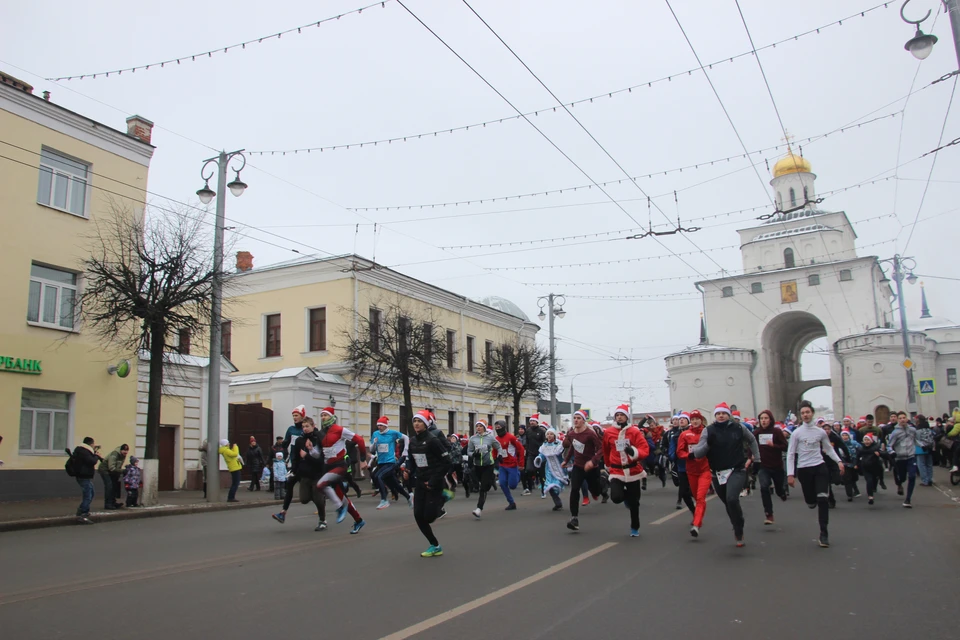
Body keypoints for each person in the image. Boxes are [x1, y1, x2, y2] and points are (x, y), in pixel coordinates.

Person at [690, 402, 760, 547]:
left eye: (724, 413)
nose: (721, 416)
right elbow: (697, 453)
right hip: (718, 473)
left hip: (737, 469)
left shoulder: (738, 427)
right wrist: (708, 444)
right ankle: (737, 523)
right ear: (715, 416)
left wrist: (757, 459)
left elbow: (752, 440)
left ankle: (738, 527)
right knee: (728, 503)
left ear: (728, 415)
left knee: (732, 498)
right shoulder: (708, 430)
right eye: (718, 413)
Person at [786, 400, 844, 548]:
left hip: (819, 467)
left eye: (808, 412)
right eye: (803, 413)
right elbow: (791, 454)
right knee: (812, 502)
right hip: (804, 470)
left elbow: (829, 449)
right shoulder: (797, 433)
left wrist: (839, 461)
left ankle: (824, 533)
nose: (805, 415)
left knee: (823, 499)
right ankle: (811, 501)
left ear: (812, 413)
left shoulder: (820, 432)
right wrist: (790, 474)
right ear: (800, 415)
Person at [403, 411, 453, 557]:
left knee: (429, 517)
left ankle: (443, 497)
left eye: (420, 421)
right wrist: (408, 471)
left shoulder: (433, 440)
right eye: (415, 421)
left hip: (434, 482)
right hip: (420, 481)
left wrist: (433, 480)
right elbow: (412, 460)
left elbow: (446, 462)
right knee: (418, 515)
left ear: (426, 424)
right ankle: (435, 545)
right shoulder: (412, 441)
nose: (417, 424)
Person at [314, 407, 368, 534]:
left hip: (340, 466)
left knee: (321, 484)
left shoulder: (340, 430)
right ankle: (359, 520)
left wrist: (363, 459)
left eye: (325, 415)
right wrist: (310, 450)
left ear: (332, 417)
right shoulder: (320, 434)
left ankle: (339, 508)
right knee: (342, 498)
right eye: (321, 416)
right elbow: (317, 454)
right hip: (328, 467)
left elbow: (359, 440)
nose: (323, 418)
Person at [602, 406, 651, 537]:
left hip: (633, 471)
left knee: (635, 503)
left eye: (622, 415)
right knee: (616, 497)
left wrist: (633, 452)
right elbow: (606, 450)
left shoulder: (634, 431)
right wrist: (607, 464)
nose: (619, 417)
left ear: (626, 417)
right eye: (617, 415)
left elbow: (644, 449)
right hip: (616, 471)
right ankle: (626, 499)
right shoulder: (609, 432)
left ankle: (635, 527)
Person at [272, 417, 328, 530]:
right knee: (304, 499)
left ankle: (322, 520)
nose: (305, 429)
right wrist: (293, 470)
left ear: (313, 426)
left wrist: (307, 455)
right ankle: (320, 496)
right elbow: (296, 458)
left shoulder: (318, 439)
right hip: (304, 474)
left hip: (317, 474)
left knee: (317, 499)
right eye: (303, 427)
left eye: (307, 426)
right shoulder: (299, 440)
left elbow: (321, 460)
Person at [562, 409, 604, 532]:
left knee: (596, 491)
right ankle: (574, 518)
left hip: (591, 467)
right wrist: (566, 460)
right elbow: (572, 448)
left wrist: (593, 461)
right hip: (578, 466)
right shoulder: (571, 434)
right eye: (574, 418)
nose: (576, 420)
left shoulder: (590, 433)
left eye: (579, 418)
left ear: (583, 420)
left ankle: (603, 481)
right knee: (574, 489)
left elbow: (601, 449)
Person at [677, 410, 711, 537]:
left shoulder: (707, 432)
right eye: (693, 419)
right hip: (691, 471)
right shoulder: (685, 434)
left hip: (705, 470)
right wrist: (689, 456)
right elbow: (679, 452)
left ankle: (696, 525)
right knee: (697, 498)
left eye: (697, 418)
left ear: (701, 420)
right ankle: (698, 520)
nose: (695, 421)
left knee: (701, 497)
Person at [753, 409, 788, 525]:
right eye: (761, 419)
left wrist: (774, 445)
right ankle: (769, 514)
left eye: (766, 418)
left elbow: (785, 446)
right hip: (763, 466)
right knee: (764, 487)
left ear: (770, 420)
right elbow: (751, 446)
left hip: (777, 466)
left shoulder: (776, 432)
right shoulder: (757, 433)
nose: (763, 421)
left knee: (779, 489)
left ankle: (782, 493)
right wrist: (750, 457)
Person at [368, 416, 411, 509]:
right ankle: (409, 497)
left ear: (386, 426)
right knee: (394, 484)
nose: (379, 427)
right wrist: (374, 443)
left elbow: (406, 437)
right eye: (378, 425)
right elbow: (372, 449)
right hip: (381, 462)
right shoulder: (375, 434)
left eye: (381, 425)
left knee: (378, 476)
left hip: (390, 462)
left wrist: (406, 450)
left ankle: (384, 500)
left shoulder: (392, 433)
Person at [467, 420, 502, 518]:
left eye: (480, 426)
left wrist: (500, 455)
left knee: (483, 487)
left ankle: (479, 509)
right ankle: (490, 481)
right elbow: (469, 451)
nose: (478, 428)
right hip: (477, 466)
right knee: (479, 485)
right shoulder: (473, 439)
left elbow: (499, 447)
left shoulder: (490, 438)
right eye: (477, 426)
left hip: (488, 465)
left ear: (484, 428)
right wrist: (473, 454)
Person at [887, 411, 918, 508]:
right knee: (902, 477)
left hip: (911, 457)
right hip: (900, 458)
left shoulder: (912, 430)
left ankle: (908, 499)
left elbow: (916, 440)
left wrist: (924, 446)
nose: (902, 420)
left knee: (912, 476)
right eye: (900, 418)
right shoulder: (895, 432)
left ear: (907, 419)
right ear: (897, 420)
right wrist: (892, 452)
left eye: (904, 417)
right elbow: (889, 445)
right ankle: (900, 482)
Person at [69, 437, 102, 524]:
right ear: (90, 444)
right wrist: (96, 456)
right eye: (93, 444)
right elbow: (91, 461)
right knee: (88, 495)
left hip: (84, 476)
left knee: (91, 493)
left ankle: (82, 511)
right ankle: (83, 514)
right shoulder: (84, 451)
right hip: (83, 476)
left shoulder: (82, 451)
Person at [534, 427, 568, 511]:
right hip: (549, 469)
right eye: (548, 434)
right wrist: (539, 458)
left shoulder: (559, 444)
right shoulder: (544, 445)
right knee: (549, 486)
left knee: (556, 485)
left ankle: (557, 500)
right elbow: (542, 455)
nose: (549, 436)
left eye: (551, 434)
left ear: (554, 435)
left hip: (559, 468)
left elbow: (564, 454)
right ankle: (557, 503)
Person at [493, 420, 525, 510]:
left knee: (512, 486)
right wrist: (495, 458)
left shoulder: (511, 437)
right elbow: (494, 450)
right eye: (496, 428)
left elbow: (521, 449)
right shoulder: (496, 439)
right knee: (502, 483)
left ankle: (518, 474)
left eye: (499, 427)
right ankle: (511, 502)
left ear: (504, 427)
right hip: (502, 465)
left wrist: (521, 464)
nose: (498, 429)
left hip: (512, 465)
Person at [97, 443, 129, 510]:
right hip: (104, 470)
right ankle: (108, 504)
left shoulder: (123, 455)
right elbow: (111, 467)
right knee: (109, 486)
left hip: (112, 472)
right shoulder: (114, 454)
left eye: (127, 450)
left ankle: (113, 502)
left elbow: (118, 466)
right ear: (120, 450)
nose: (125, 452)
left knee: (114, 486)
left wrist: (119, 474)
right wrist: (122, 471)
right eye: (124, 450)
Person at [524, 416, 547, 497]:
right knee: (528, 470)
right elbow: (527, 441)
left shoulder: (541, 431)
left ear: (537, 422)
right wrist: (526, 450)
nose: (532, 422)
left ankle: (543, 491)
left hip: (540, 455)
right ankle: (530, 488)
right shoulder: (528, 431)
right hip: (531, 454)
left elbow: (545, 442)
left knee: (542, 474)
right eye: (531, 421)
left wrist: (544, 452)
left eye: (534, 421)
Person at [857, 434, 883, 505]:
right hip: (865, 467)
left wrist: (879, 453)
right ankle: (870, 497)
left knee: (874, 479)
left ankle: (879, 483)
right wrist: (856, 464)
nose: (866, 442)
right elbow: (857, 456)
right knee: (869, 481)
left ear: (871, 441)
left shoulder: (875, 447)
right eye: (865, 440)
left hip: (875, 467)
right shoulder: (861, 448)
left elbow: (884, 453)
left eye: (868, 440)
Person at [914, 415, 935, 486]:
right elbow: (932, 438)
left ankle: (925, 480)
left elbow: (916, 439)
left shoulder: (918, 430)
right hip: (929, 448)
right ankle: (930, 479)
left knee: (921, 465)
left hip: (920, 449)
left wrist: (922, 445)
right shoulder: (928, 429)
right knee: (929, 464)